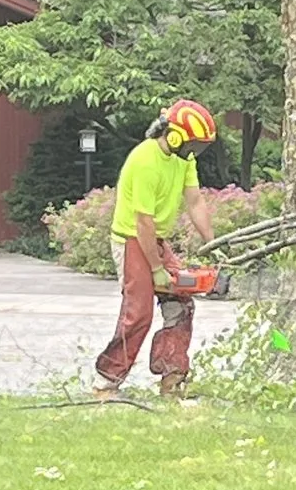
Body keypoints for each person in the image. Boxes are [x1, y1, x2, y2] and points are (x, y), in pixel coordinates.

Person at [92, 99, 217, 399]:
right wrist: (158, 270)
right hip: (132, 238)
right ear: (173, 135)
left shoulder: (183, 160)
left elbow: (195, 201)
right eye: (193, 145)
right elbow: (142, 223)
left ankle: (171, 380)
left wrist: (213, 244)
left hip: (155, 240)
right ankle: (105, 383)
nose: (194, 152)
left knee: (180, 303)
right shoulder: (145, 161)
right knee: (139, 314)